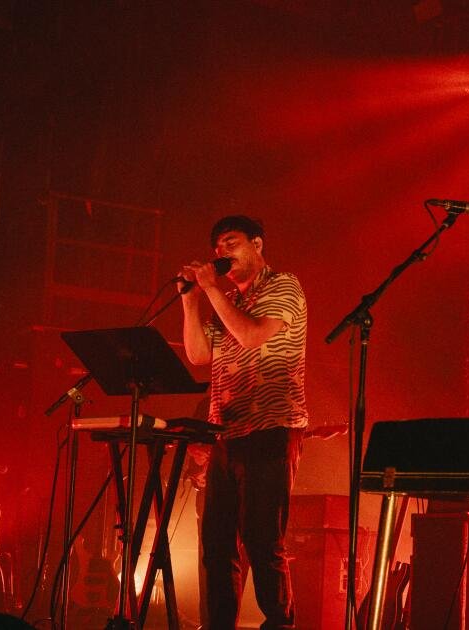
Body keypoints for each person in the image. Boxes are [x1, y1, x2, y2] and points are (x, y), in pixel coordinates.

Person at [179, 215, 309, 630]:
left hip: (271, 429)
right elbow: (199, 355)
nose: (222, 253)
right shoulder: (230, 302)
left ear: (257, 244)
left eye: (230, 243)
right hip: (227, 433)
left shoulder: (283, 286)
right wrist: (190, 299)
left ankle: (279, 623)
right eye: (217, 248)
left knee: (261, 538)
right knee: (217, 544)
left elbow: (252, 336)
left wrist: (212, 289)